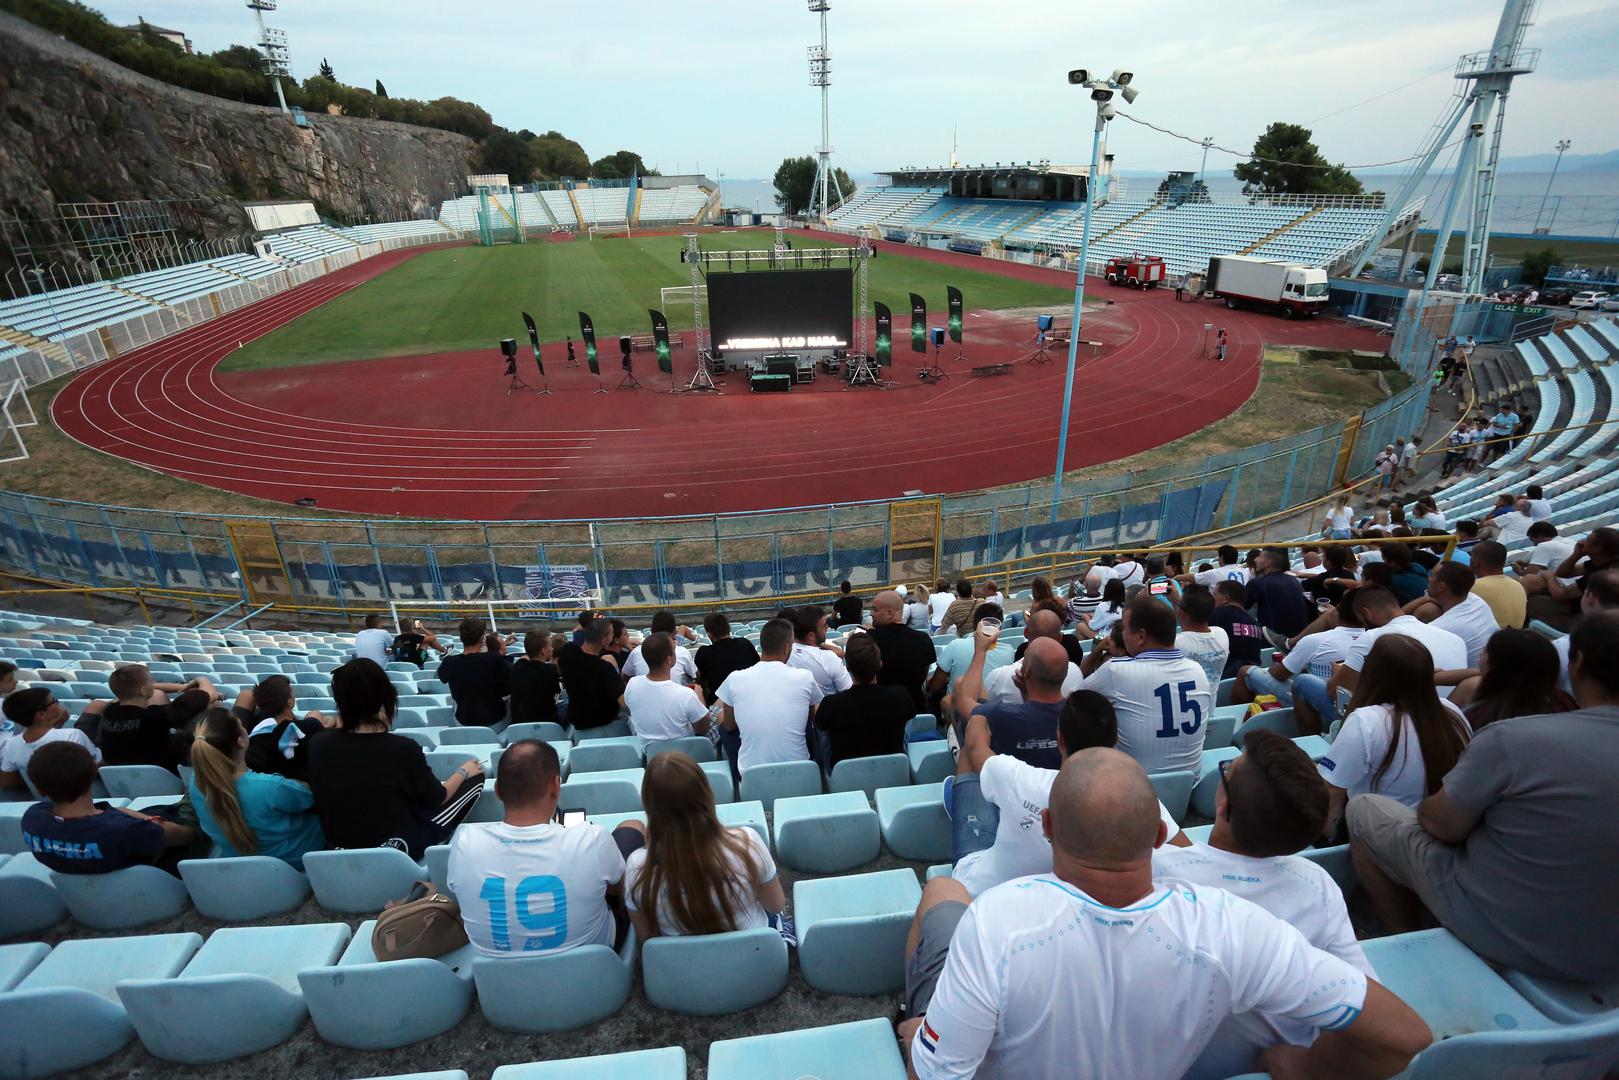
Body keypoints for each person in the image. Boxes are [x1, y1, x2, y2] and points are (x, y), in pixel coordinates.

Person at [898, 749, 1430, 1080]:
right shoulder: (1235, 926)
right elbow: (1404, 1036)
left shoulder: (997, 919)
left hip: (968, 1016)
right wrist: (1302, 1064)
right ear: (1158, 837)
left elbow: (936, 1074)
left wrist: (925, 1037)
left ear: (1049, 828)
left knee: (944, 890)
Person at [1348, 612, 1619, 984]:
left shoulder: (1510, 737)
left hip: (1509, 932)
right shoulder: (1488, 721)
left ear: (1579, 662)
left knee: (1363, 809)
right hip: (1598, 942)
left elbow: (1440, 824)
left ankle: (1406, 941)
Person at [1153, 730, 1374, 1080]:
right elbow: (1367, 1015)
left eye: (1228, 768)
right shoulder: (1318, 883)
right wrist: (1308, 1065)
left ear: (1223, 803)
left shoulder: (1161, 876)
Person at [951, 688, 1188, 898]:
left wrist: (981, 713)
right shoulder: (1136, 795)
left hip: (978, 890)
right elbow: (1187, 854)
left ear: (1060, 738)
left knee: (969, 762)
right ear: (1115, 740)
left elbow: (975, 746)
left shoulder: (1018, 777)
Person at [447, 739, 644, 957]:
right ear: (556, 786)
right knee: (632, 827)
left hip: (499, 976)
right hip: (590, 960)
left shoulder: (464, 842)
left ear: (498, 791)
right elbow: (618, 888)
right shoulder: (591, 837)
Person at [305, 659, 484, 858]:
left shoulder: (318, 743)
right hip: (395, 849)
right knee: (475, 778)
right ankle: (435, 842)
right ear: (384, 696)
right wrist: (463, 772)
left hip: (338, 846)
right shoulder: (402, 748)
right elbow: (437, 797)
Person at [1318, 635, 1471, 838]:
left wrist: (1326, 847)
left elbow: (1333, 793)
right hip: (1441, 832)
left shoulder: (1366, 721)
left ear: (1374, 674)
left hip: (1383, 838)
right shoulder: (1452, 711)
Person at [625, 753, 784, 940]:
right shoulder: (746, 843)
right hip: (752, 956)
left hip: (684, 964)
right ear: (706, 794)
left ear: (649, 805)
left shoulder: (637, 867)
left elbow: (646, 936)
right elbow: (776, 904)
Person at [1080, 596, 1211, 775]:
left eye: (1125, 629)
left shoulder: (1116, 671)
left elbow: (1074, 699)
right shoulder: (1198, 671)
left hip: (1132, 788)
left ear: (1141, 636)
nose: (1122, 634)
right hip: (1188, 785)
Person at [19, 741, 193, 874]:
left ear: (40, 790)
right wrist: (147, 822)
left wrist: (135, 818)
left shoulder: (33, 818)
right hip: (144, 881)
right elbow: (186, 835)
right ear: (92, 775)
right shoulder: (124, 830)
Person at [188, 707, 323, 869]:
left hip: (239, 862)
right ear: (240, 740)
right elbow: (311, 795)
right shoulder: (269, 787)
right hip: (294, 861)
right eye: (241, 725)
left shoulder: (196, 781)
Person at [1240, 592, 1362, 730]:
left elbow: (1279, 674)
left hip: (1325, 707)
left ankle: (1239, 727)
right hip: (1356, 708)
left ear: (1337, 610)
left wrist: (1281, 665)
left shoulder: (1315, 640)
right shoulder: (1374, 640)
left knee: (1245, 672)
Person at [715, 618, 823, 771]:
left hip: (751, 774)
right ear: (787, 647)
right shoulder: (805, 677)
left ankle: (735, 772)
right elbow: (813, 719)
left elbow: (730, 725)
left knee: (723, 722)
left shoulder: (734, 678)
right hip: (800, 769)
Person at [1325, 585, 1467, 697]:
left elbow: (1337, 693)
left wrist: (1338, 674)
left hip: (1398, 722)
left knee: (1306, 683)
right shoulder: (1456, 640)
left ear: (1366, 613)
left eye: (1362, 620)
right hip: (1446, 719)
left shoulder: (1373, 637)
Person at [955, 634, 1070, 772]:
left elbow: (964, 700)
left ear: (1026, 671)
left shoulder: (1002, 714)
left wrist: (980, 651)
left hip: (1000, 787)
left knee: (960, 686)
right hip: (1054, 786)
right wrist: (1026, 692)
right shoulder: (1078, 715)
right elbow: (1038, 719)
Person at [813, 634, 914, 769]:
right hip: (892, 769)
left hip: (844, 773)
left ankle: (826, 769)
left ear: (847, 667)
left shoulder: (831, 704)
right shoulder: (901, 695)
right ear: (880, 664)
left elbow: (821, 728)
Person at [96, 664, 214, 773]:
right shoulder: (155, 717)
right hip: (163, 775)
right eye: (151, 681)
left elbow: (139, 689)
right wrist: (202, 680)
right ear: (142, 690)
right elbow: (207, 697)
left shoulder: (110, 711)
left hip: (117, 774)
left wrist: (183, 687)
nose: (153, 682)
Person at [1443, 628, 1561, 728]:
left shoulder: (1477, 720)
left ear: (1495, 667)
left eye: (1485, 652)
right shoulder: (1564, 705)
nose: (1480, 656)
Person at [973, 610, 1084, 708]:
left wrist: (980, 651)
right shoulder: (1076, 671)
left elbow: (978, 709)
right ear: (1060, 638)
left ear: (1026, 633)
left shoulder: (1000, 676)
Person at [0, 687, 101, 791]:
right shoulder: (72, 735)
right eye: (54, 701)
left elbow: (6, 782)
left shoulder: (11, 744)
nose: (58, 704)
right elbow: (93, 769)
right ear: (41, 714)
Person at [624, 632, 709, 749]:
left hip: (649, 753)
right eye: (674, 650)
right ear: (669, 660)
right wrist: (700, 697)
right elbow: (703, 729)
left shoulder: (632, 684)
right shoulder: (686, 694)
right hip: (684, 753)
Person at [1529, 526, 1619, 630]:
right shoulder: (1602, 562)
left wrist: (1550, 577)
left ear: (1597, 548)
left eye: (1588, 540)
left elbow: (1560, 595)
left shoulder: (1602, 575)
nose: (1582, 542)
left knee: (1531, 601)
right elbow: (1563, 573)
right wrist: (1576, 555)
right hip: (1588, 610)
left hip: (1583, 618)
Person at [866, 590, 937, 713]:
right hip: (915, 708)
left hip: (880, 709)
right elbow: (923, 676)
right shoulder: (923, 639)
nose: (871, 613)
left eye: (875, 610)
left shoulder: (869, 640)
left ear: (889, 613)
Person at [929, 603, 1012, 706]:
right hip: (993, 714)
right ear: (1000, 627)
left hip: (958, 713)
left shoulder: (955, 645)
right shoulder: (1009, 651)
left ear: (975, 623)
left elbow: (935, 686)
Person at [436, 618, 511, 729]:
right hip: (495, 721)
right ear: (482, 638)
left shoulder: (449, 662)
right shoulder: (494, 659)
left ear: (461, 638)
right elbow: (508, 686)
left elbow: (441, 676)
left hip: (463, 721)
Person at [556, 618, 627, 732]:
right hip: (605, 723)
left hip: (578, 723)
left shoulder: (568, 653)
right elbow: (624, 702)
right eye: (611, 633)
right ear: (604, 640)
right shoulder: (605, 668)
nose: (613, 636)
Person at [1245, 547, 1311, 648]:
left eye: (1259, 557)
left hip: (1273, 642)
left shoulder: (1257, 583)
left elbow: (1240, 607)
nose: (1255, 559)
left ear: (1267, 563)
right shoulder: (1293, 580)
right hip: (1300, 640)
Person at [1172, 583, 1229, 691]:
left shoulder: (1176, 644)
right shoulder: (1222, 634)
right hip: (1211, 706)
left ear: (1182, 612)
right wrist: (1179, 603)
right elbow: (1188, 625)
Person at [786, 605, 851, 699]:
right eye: (824, 625)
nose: (827, 627)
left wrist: (815, 643)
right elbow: (848, 693)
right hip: (830, 710)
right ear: (811, 636)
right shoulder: (828, 658)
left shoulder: (784, 654)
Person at [621, 611, 700, 685]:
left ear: (651, 630)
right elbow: (696, 676)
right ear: (674, 633)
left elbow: (624, 676)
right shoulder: (682, 652)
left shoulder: (636, 651)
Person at [1464, 540, 1525, 630]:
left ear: (1476, 561)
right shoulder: (1518, 585)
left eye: (1471, 556)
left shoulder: (1473, 587)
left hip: (1489, 641)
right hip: (1513, 638)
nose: (1469, 559)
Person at [1211, 579, 1264, 679]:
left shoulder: (1217, 614)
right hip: (1252, 680)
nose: (1212, 598)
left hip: (1223, 679)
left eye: (1215, 595)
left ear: (1225, 598)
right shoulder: (1255, 623)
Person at [509, 630, 563, 728]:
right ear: (544, 650)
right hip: (546, 723)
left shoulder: (518, 666)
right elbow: (556, 692)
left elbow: (524, 658)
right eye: (550, 645)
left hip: (518, 724)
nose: (552, 648)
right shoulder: (550, 671)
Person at [1378, 540, 1430, 606]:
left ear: (1392, 563)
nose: (1383, 562)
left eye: (1384, 559)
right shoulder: (1418, 567)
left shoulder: (1393, 582)